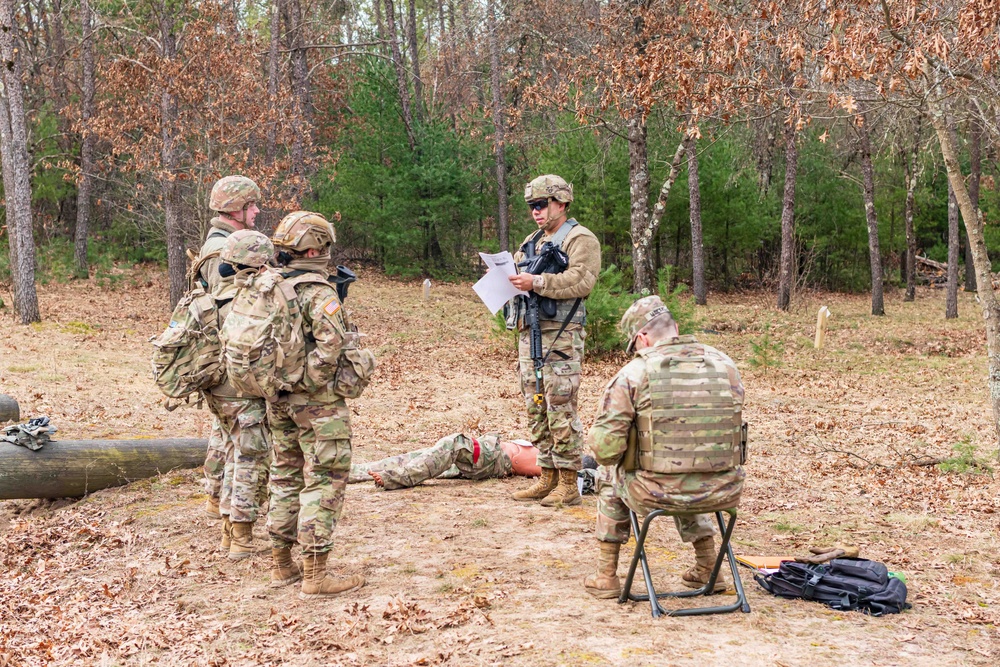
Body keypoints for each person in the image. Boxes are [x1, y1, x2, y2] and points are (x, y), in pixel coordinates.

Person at [583, 295, 746, 599]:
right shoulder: (725, 366)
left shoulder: (634, 374)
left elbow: (605, 450)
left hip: (654, 492)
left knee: (610, 473)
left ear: (642, 338)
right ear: (675, 327)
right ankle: (709, 565)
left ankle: (606, 575)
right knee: (688, 466)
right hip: (723, 488)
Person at [264, 211, 370, 599]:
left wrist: (287, 383)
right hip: (317, 405)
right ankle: (315, 574)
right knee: (325, 480)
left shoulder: (269, 285)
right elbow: (331, 346)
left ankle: (281, 565)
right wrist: (311, 383)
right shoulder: (318, 292)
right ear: (315, 247)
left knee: (285, 475)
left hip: (277, 400)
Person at [507, 174, 601, 508]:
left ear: (561, 202)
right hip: (530, 333)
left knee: (560, 408)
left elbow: (581, 280)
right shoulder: (530, 241)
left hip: (560, 338)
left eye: (541, 204)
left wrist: (537, 281)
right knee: (536, 406)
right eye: (531, 206)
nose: (535, 212)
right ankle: (546, 476)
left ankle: (568, 482)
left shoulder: (580, 239)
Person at [203, 230, 275, 560]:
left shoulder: (213, 291)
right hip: (242, 394)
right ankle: (241, 537)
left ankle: (227, 533)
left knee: (231, 453)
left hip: (216, 389)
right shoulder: (253, 298)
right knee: (247, 460)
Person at [199, 176, 262, 520]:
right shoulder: (223, 251)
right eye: (251, 205)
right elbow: (232, 311)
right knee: (243, 439)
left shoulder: (223, 243)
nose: (256, 210)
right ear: (235, 210)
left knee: (223, 431)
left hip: (219, 357)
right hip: (229, 359)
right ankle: (233, 515)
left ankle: (214, 497)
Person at [347, 434, 541, 489]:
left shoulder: (560, 459)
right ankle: (349, 472)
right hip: (489, 450)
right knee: (423, 457)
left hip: (495, 459)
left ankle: (398, 479)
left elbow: (550, 469)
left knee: (455, 443)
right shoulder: (554, 439)